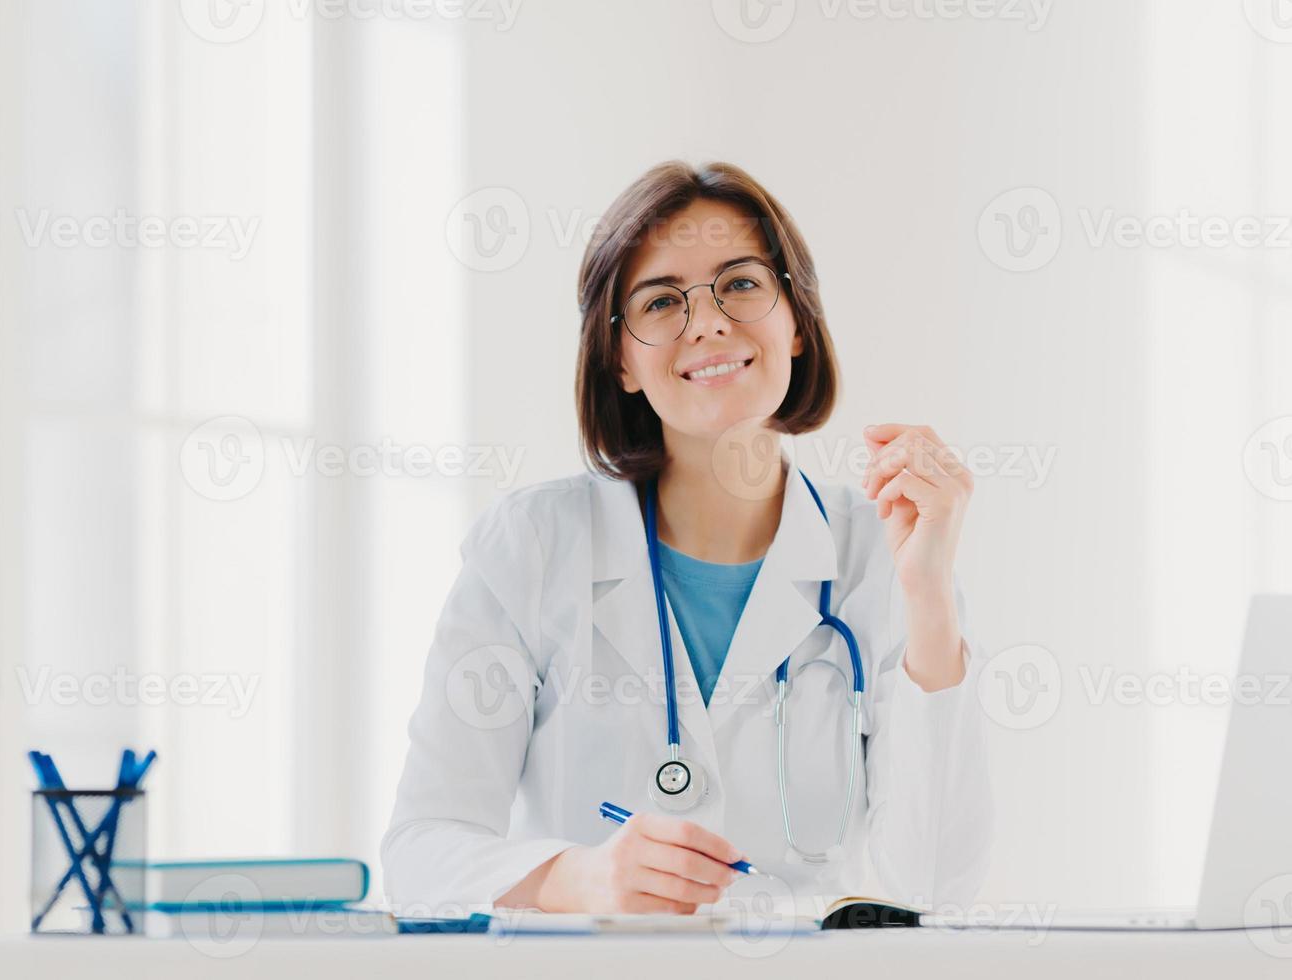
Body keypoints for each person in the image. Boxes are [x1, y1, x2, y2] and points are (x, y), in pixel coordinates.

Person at [381, 160, 991, 915]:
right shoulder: (532, 545)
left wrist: (929, 599)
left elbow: (934, 890)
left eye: (740, 283)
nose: (706, 322)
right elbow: (422, 855)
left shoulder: (886, 554)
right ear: (620, 361)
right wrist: (586, 878)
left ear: (796, 321)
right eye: (662, 301)